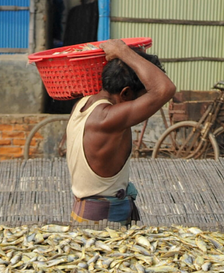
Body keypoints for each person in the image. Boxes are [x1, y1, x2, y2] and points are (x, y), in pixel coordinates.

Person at [67, 39, 176, 226]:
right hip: (103, 221)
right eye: (142, 97)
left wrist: (124, 54)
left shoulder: (84, 104)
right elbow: (165, 89)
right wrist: (122, 51)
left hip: (86, 213)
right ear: (126, 94)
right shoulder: (107, 119)